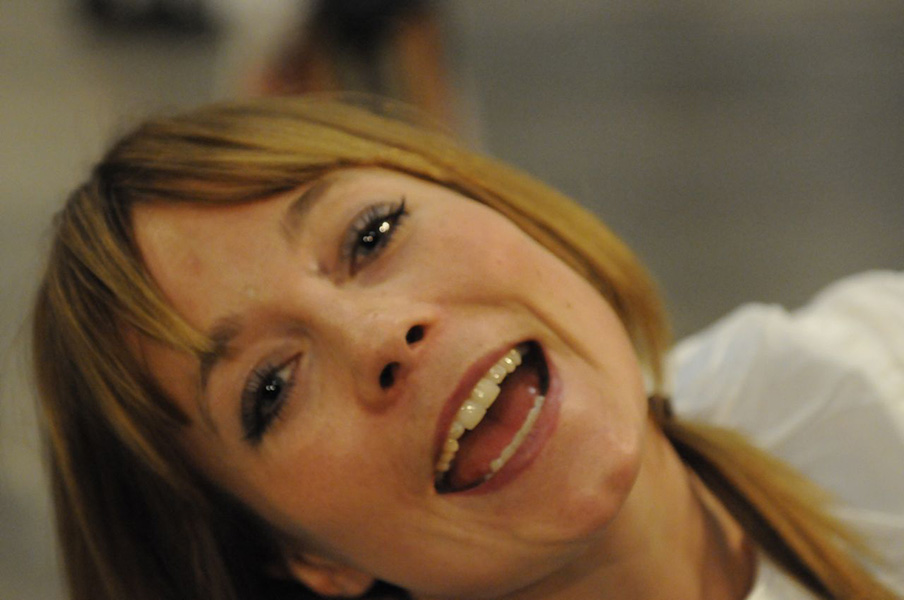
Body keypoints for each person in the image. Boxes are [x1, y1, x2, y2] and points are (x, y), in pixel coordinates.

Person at [32, 96, 902, 600]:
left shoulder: (862, 370)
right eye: (272, 389)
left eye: (372, 234)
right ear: (304, 558)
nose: (381, 334)